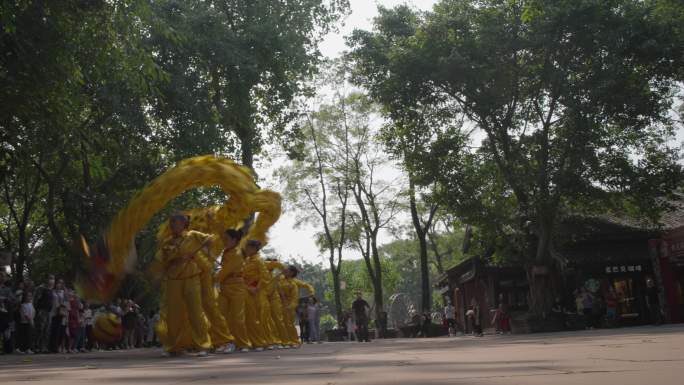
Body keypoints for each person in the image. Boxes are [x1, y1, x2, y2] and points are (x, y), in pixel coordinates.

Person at [158, 213, 213, 357]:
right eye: (171, 223)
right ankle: (174, 347)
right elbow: (163, 260)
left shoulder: (193, 235)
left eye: (174, 222)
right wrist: (177, 257)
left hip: (191, 277)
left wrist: (206, 244)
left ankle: (203, 345)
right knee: (173, 315)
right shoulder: (168, 241)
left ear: (183, 224)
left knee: (196, 312)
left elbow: (210, 239)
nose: (172, 225)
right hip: (173, 279)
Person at [217, 229, 252, 352]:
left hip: (237, 288)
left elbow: (225, 271)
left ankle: (243, 344)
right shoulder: (226, 252)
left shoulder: (237, 254)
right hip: (224, 286)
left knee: (237, 318)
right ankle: (225, 342)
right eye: (224, 239)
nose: (224, 241)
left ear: (234, 240)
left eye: (226, 239)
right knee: (220, 315)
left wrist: (210, 278)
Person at [33, 275, 55, 353]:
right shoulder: (41, 288)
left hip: (49, 312)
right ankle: (36, 347)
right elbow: (35, 300)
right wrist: (37, 310)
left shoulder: (51, 290)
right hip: (42, 311)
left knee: (47, 330)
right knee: (40, 329)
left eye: (53, 279)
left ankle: (44, 347)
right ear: (46, 280)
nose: (52, 281)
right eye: (50, 278)